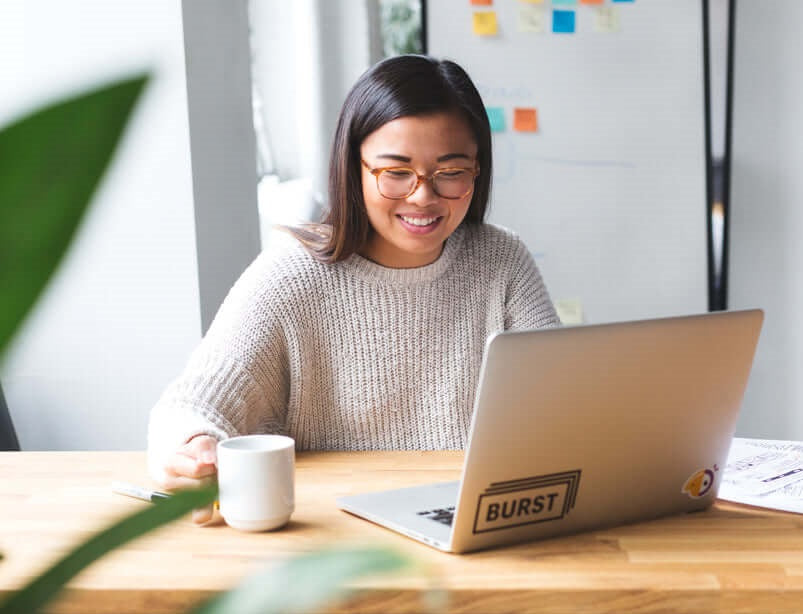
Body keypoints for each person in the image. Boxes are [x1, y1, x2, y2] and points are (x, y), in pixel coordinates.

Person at [147, 54, 559, 523]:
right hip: (331, 539)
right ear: (353, 168)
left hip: (468, 525)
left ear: (477, 170)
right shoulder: (290, 274)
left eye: (450, 172)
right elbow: (191, 405)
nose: (423, 196)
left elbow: (561, 405)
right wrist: (194, 451)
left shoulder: (502, 260)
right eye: (395, 172)